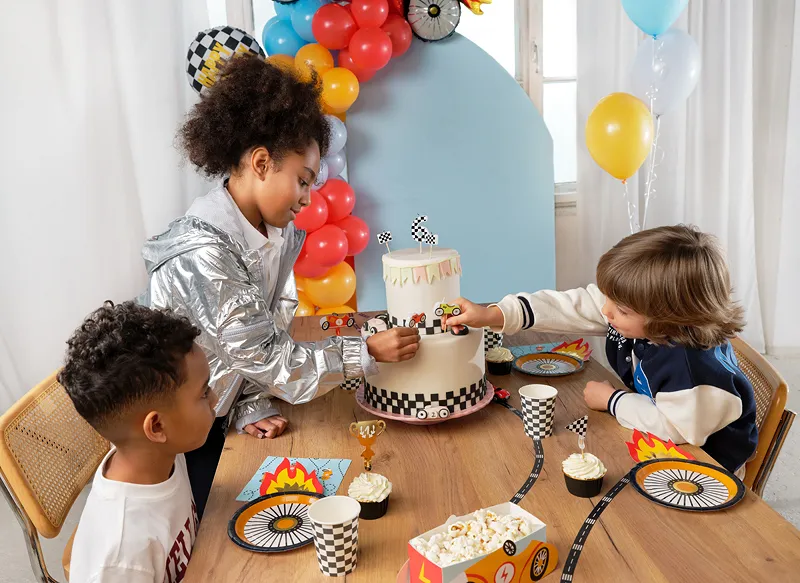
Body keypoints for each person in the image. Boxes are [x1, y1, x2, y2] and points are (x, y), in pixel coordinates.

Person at [137, 53, 419, 516]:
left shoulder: (273, 232)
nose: (308, 199)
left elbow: (256, 334)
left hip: (220, 414)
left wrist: (250, 403)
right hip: (181, 439)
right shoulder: (206, 255)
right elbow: (267, 356)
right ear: (262, 163)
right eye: (303, 181)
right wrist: (365, 350)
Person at [449, 225, 757, 474]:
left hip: (707, 467)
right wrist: (495, 314)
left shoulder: (692, 370)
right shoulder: (644, 314)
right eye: (607, 297)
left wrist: (613, 400)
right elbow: (572, 306)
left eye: (620, 309)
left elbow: (676, 428)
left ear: (670, 319)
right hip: (654, 431)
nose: (605, 311)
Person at [60, 302, 214, 582]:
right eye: (204, 393)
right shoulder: (122, 558)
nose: (215, 400)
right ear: (156, 426)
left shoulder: (163, 453)